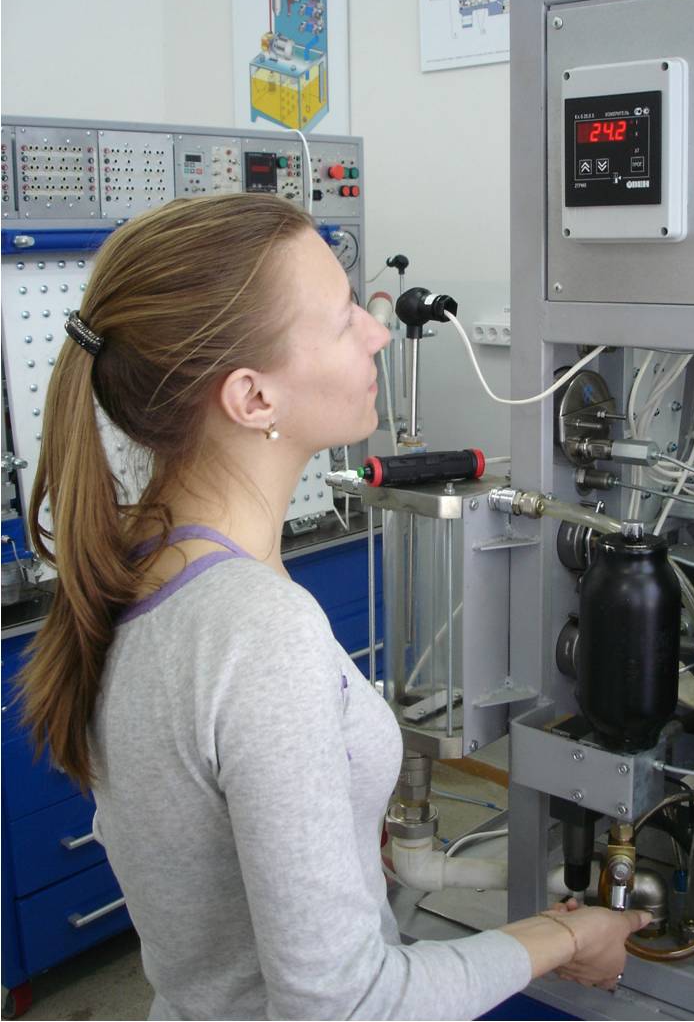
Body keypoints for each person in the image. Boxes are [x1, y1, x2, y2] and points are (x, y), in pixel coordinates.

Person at [19, 194, 650, 1021]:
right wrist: (563, 935)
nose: (377, 334)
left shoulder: (144, 560)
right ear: (253, 398)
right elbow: (348, 1006)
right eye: (344, 316)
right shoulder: (257, 632)